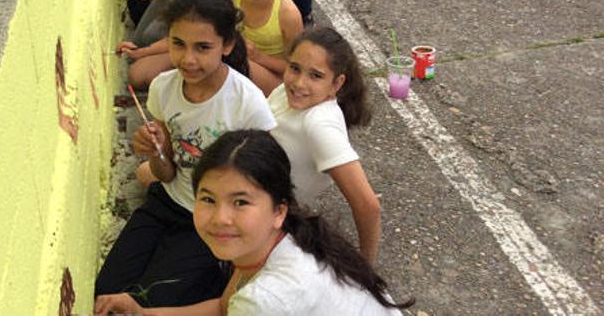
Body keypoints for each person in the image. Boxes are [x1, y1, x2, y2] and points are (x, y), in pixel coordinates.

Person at [94, 130, 413, 315]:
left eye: (241, 202)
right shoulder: (276, 241)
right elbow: (223, 307)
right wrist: (142, 311)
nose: (220, 218)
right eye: (207, 199)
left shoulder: (265, 299)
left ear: (279, 210)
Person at [95, 0, 277, 309]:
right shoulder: (164, 88)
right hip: (166, 203)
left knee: (148, 302)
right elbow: (165, 173)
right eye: (178, 44)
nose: (188, 59)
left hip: (211, 222)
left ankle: (213, 276)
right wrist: (156, 152)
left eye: (202, 47)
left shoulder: (247, 104)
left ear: (228, 45)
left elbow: (265, 188)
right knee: (106, 291)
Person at [268, 26, 382, 265]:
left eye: (316, 76)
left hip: (271, 225)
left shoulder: (319, 124)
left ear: (336, 84)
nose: (299, 83)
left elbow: (368, 205)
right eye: (294, 68)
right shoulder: (286, 94)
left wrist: (366, 267)